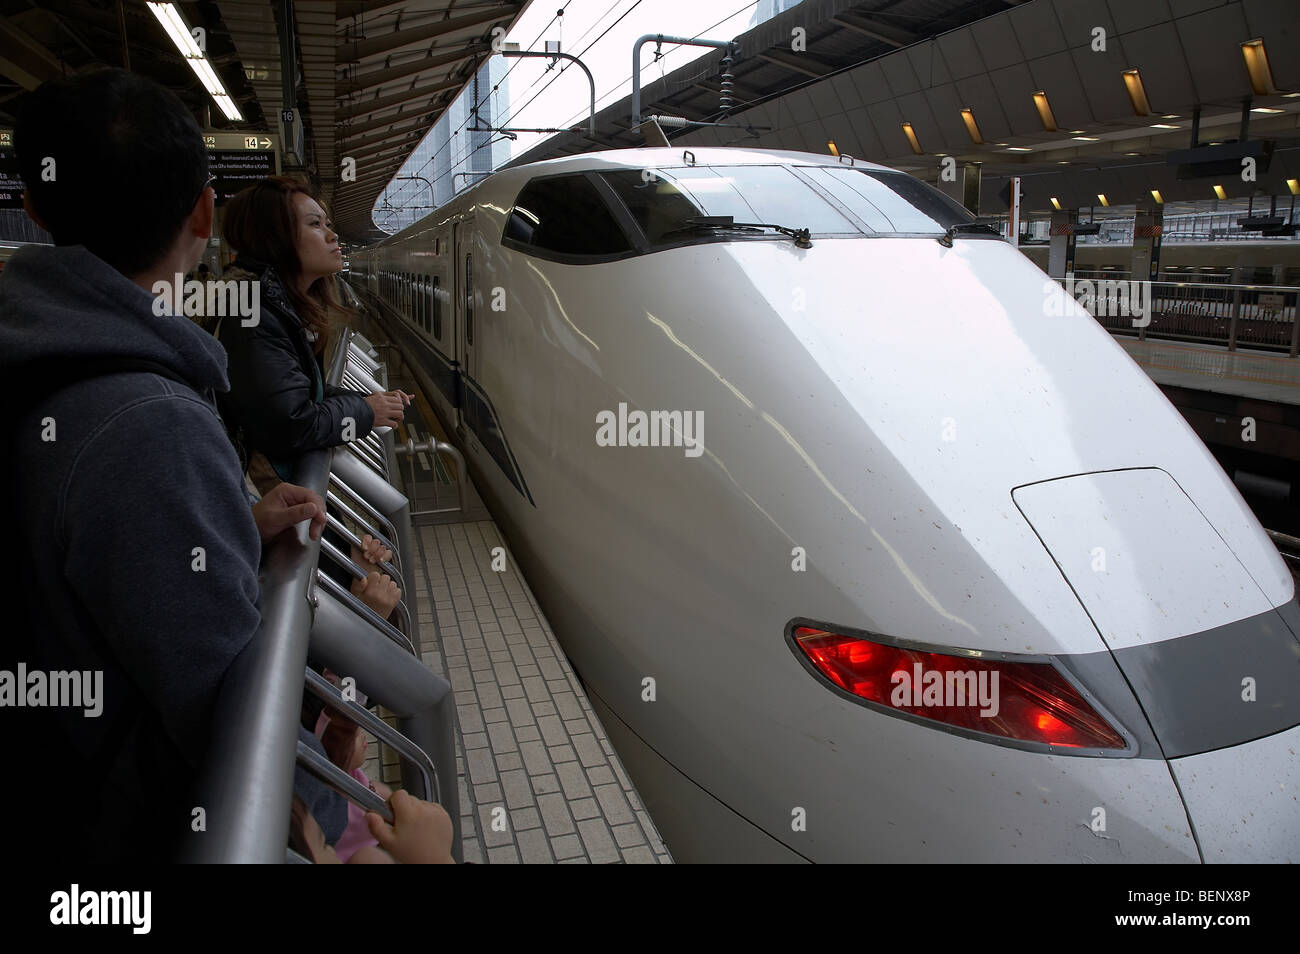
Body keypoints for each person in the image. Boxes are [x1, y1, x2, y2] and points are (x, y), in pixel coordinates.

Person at [0, 67, 328, 861]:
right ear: (204, 213)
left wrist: (227, 527)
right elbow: (225, 714)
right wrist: (324, 792)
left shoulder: (37, 366)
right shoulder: (149, 424)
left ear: (36, 207)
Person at [214, 175, 411, 489]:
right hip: (264, 497)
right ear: (275, 237)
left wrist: (368, 399)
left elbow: (299, 390)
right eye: (315, 224)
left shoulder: (271, 305)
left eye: (328, 224)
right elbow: (289, 426)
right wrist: (365, 411)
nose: (333, 236)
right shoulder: (252, 314)